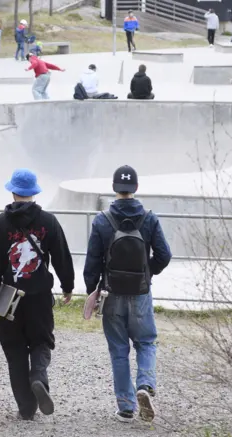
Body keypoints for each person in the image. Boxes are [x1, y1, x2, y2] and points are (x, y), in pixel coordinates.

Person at [0, 168, 75, 421]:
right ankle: (39, 377)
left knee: (14, 348)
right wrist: (68, 286)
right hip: (40, 296)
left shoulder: (1, 223)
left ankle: (26, 408)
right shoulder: (48, 222)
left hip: (10, 297)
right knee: (41, 341)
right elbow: (62, 257)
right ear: (34, 193)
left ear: (12, 192)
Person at [83, 165, 172, 423]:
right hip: (141, 293)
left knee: (119, 350)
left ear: (114, 188)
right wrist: (148, 273)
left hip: (112, 293)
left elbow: (92, 262)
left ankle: (125, 406)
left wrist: (94, 290)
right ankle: (145, 384)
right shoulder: (149, 218)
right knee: (146, 342)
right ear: (135, 188)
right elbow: (164, 255)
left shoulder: (102, 220)